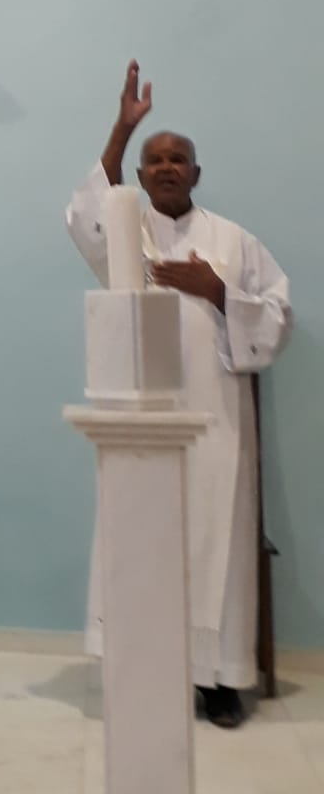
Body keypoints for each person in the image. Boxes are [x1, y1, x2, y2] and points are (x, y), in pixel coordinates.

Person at [66, 63, 292, 728]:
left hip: (216, 417)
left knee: (217, 542)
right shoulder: (124, 231)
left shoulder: (234, 242)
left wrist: (218, 291)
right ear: (139, 177)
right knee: (142, 543)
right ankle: (145, 673)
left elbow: (278, 317)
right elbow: (83, 216)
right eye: (154, 159)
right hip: (140, 417)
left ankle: (217, 680)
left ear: (196, 173)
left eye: (178, 159)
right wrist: (120, 128)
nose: (166, 167)